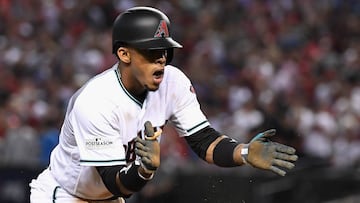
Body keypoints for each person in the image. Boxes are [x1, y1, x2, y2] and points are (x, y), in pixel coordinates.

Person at [29, 6, 298, 203]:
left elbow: (203, 142)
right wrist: (144, 170)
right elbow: (114, 180)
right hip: (64, 195)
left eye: (164, 50)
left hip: (107, 198)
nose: (161, 59)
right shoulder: (95, 100)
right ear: (124, 54)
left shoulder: (173, 82)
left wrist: (243, 152)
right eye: (150, 51)